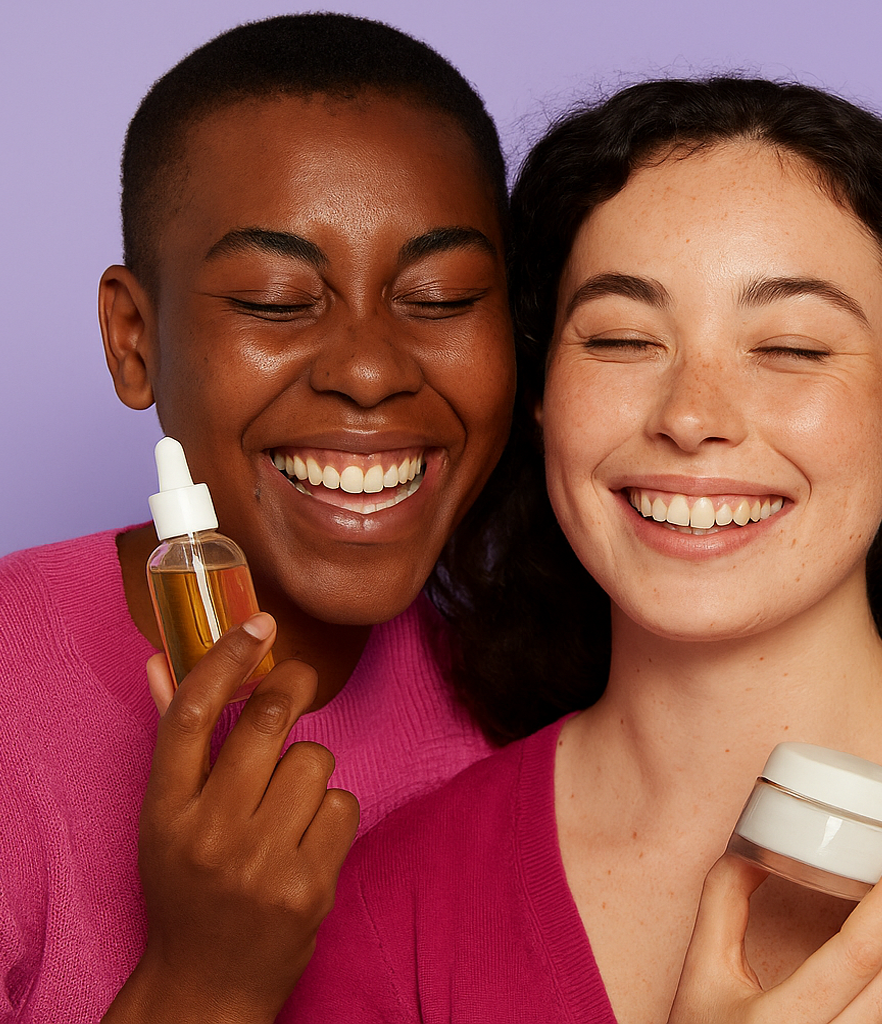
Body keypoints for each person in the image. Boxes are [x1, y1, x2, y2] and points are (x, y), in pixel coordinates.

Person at [284, 77, 882, 1023]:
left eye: (792, 349)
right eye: (622, 340)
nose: (691, 416)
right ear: (541, 399)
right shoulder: (398, 898)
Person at [0, 14, 516, 1023]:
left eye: (442, 297)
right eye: (279, 301)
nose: (369, 370)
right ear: (135, 338)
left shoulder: (537, 697)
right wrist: (204, 982)